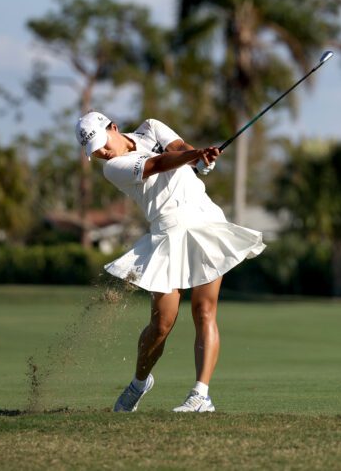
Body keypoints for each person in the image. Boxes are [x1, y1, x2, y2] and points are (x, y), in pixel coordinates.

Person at [75, 111, 265, 413]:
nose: (101, 152)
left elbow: (178, 150)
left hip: (205, 223)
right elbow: (158, 164)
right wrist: (194, 156)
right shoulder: (114, 168)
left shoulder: (151, 128)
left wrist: (200, 159)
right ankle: (139, 382)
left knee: (205, 310)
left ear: (113, 127)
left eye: (101, 143)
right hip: (167, 234)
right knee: (162, 323)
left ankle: (201, 396)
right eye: (93, 151)